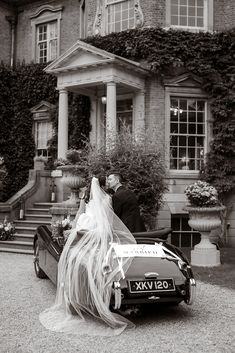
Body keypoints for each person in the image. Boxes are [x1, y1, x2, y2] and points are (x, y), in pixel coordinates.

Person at [39, 176, 136, 336]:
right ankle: (90, 301)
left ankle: (76, 301)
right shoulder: (107, 199)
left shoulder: (86, 200)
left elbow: (79, 216)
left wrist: (72, 229)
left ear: (89, 188)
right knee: (91, 263)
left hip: (83, 234)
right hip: (95, 235)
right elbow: (108, 221)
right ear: (103, 187)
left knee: (73, 260)